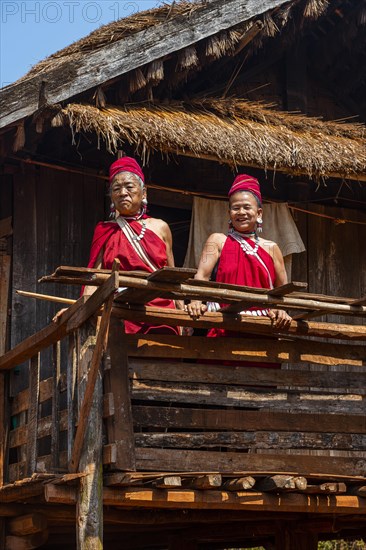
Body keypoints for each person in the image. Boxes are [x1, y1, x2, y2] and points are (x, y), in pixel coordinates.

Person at [54, 156, 180, 334]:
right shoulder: (104, 230)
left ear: (144, 193)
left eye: (129, 187)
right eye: (116, 188)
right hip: (120, 311)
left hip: (159, 311)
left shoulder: (161, 227)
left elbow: (171, 276)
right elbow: (94, 277)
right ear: (111, 196)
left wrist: (182, 314)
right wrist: (77, 309)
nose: (122, 193)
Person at [186, 174, 292, 333]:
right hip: (223, 321)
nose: (241, 212)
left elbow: (281, 288)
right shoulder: (217, 241)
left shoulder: (272, 248)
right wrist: (195, 301)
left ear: (259, 213)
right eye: (236, 208)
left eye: (247, 207)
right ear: (229, 213)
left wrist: (282, 310)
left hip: (261, 325)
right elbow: (202, 276)